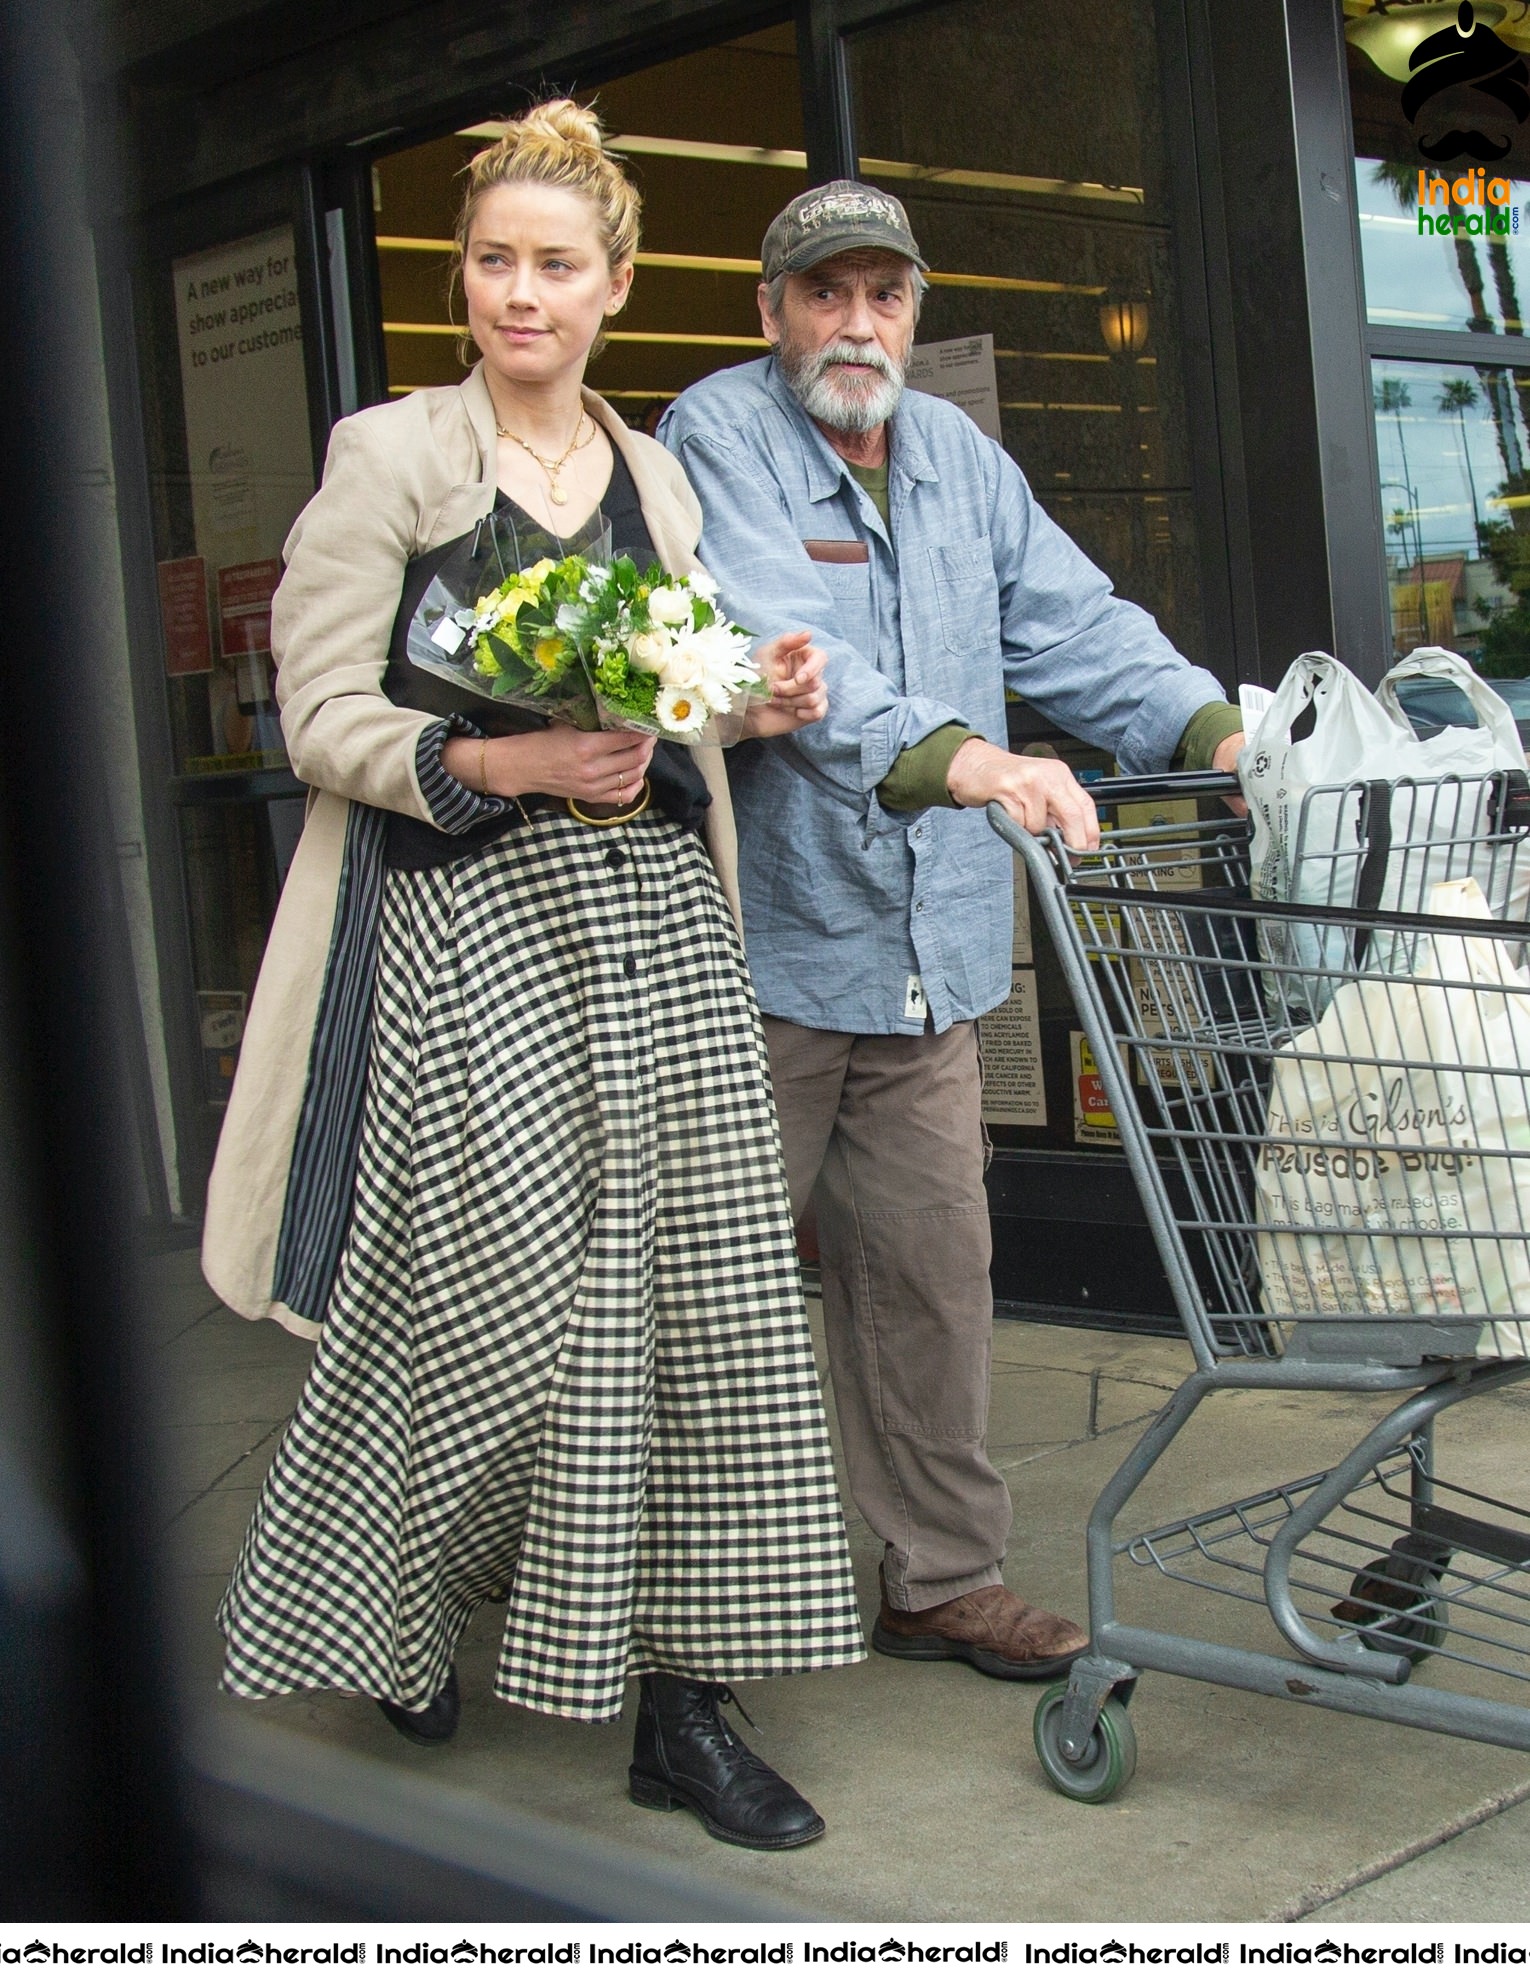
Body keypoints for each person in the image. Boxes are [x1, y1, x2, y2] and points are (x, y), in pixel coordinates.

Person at [201, 105, 867, 1853]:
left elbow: (680, 685)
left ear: (614, 287)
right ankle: (402, 1606)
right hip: (465, 929)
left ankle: (679, 1704)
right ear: (464, 283)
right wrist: (496, 766)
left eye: (554, 265)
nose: (521, 292)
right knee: (477, 1307)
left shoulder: (649, 476)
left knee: (702, 1300)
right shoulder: (395, 454)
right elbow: (323, 712)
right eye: (493, 262)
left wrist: (752, 691)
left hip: (649, 923)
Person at [660, 180, 1244, 1681]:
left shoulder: (958, 461)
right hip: (770, 952)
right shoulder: (717, 437)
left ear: (913, 311)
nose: (856, 323)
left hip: (930, 961)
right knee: (701, 1304)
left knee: (930, 1275)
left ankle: (938, 1577)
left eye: (885, 295)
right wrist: (968, 757)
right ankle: (667, 1614)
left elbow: (1072, 621)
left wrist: (1218, 728)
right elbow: (771, 640)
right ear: (771, 310)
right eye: (823, 293)